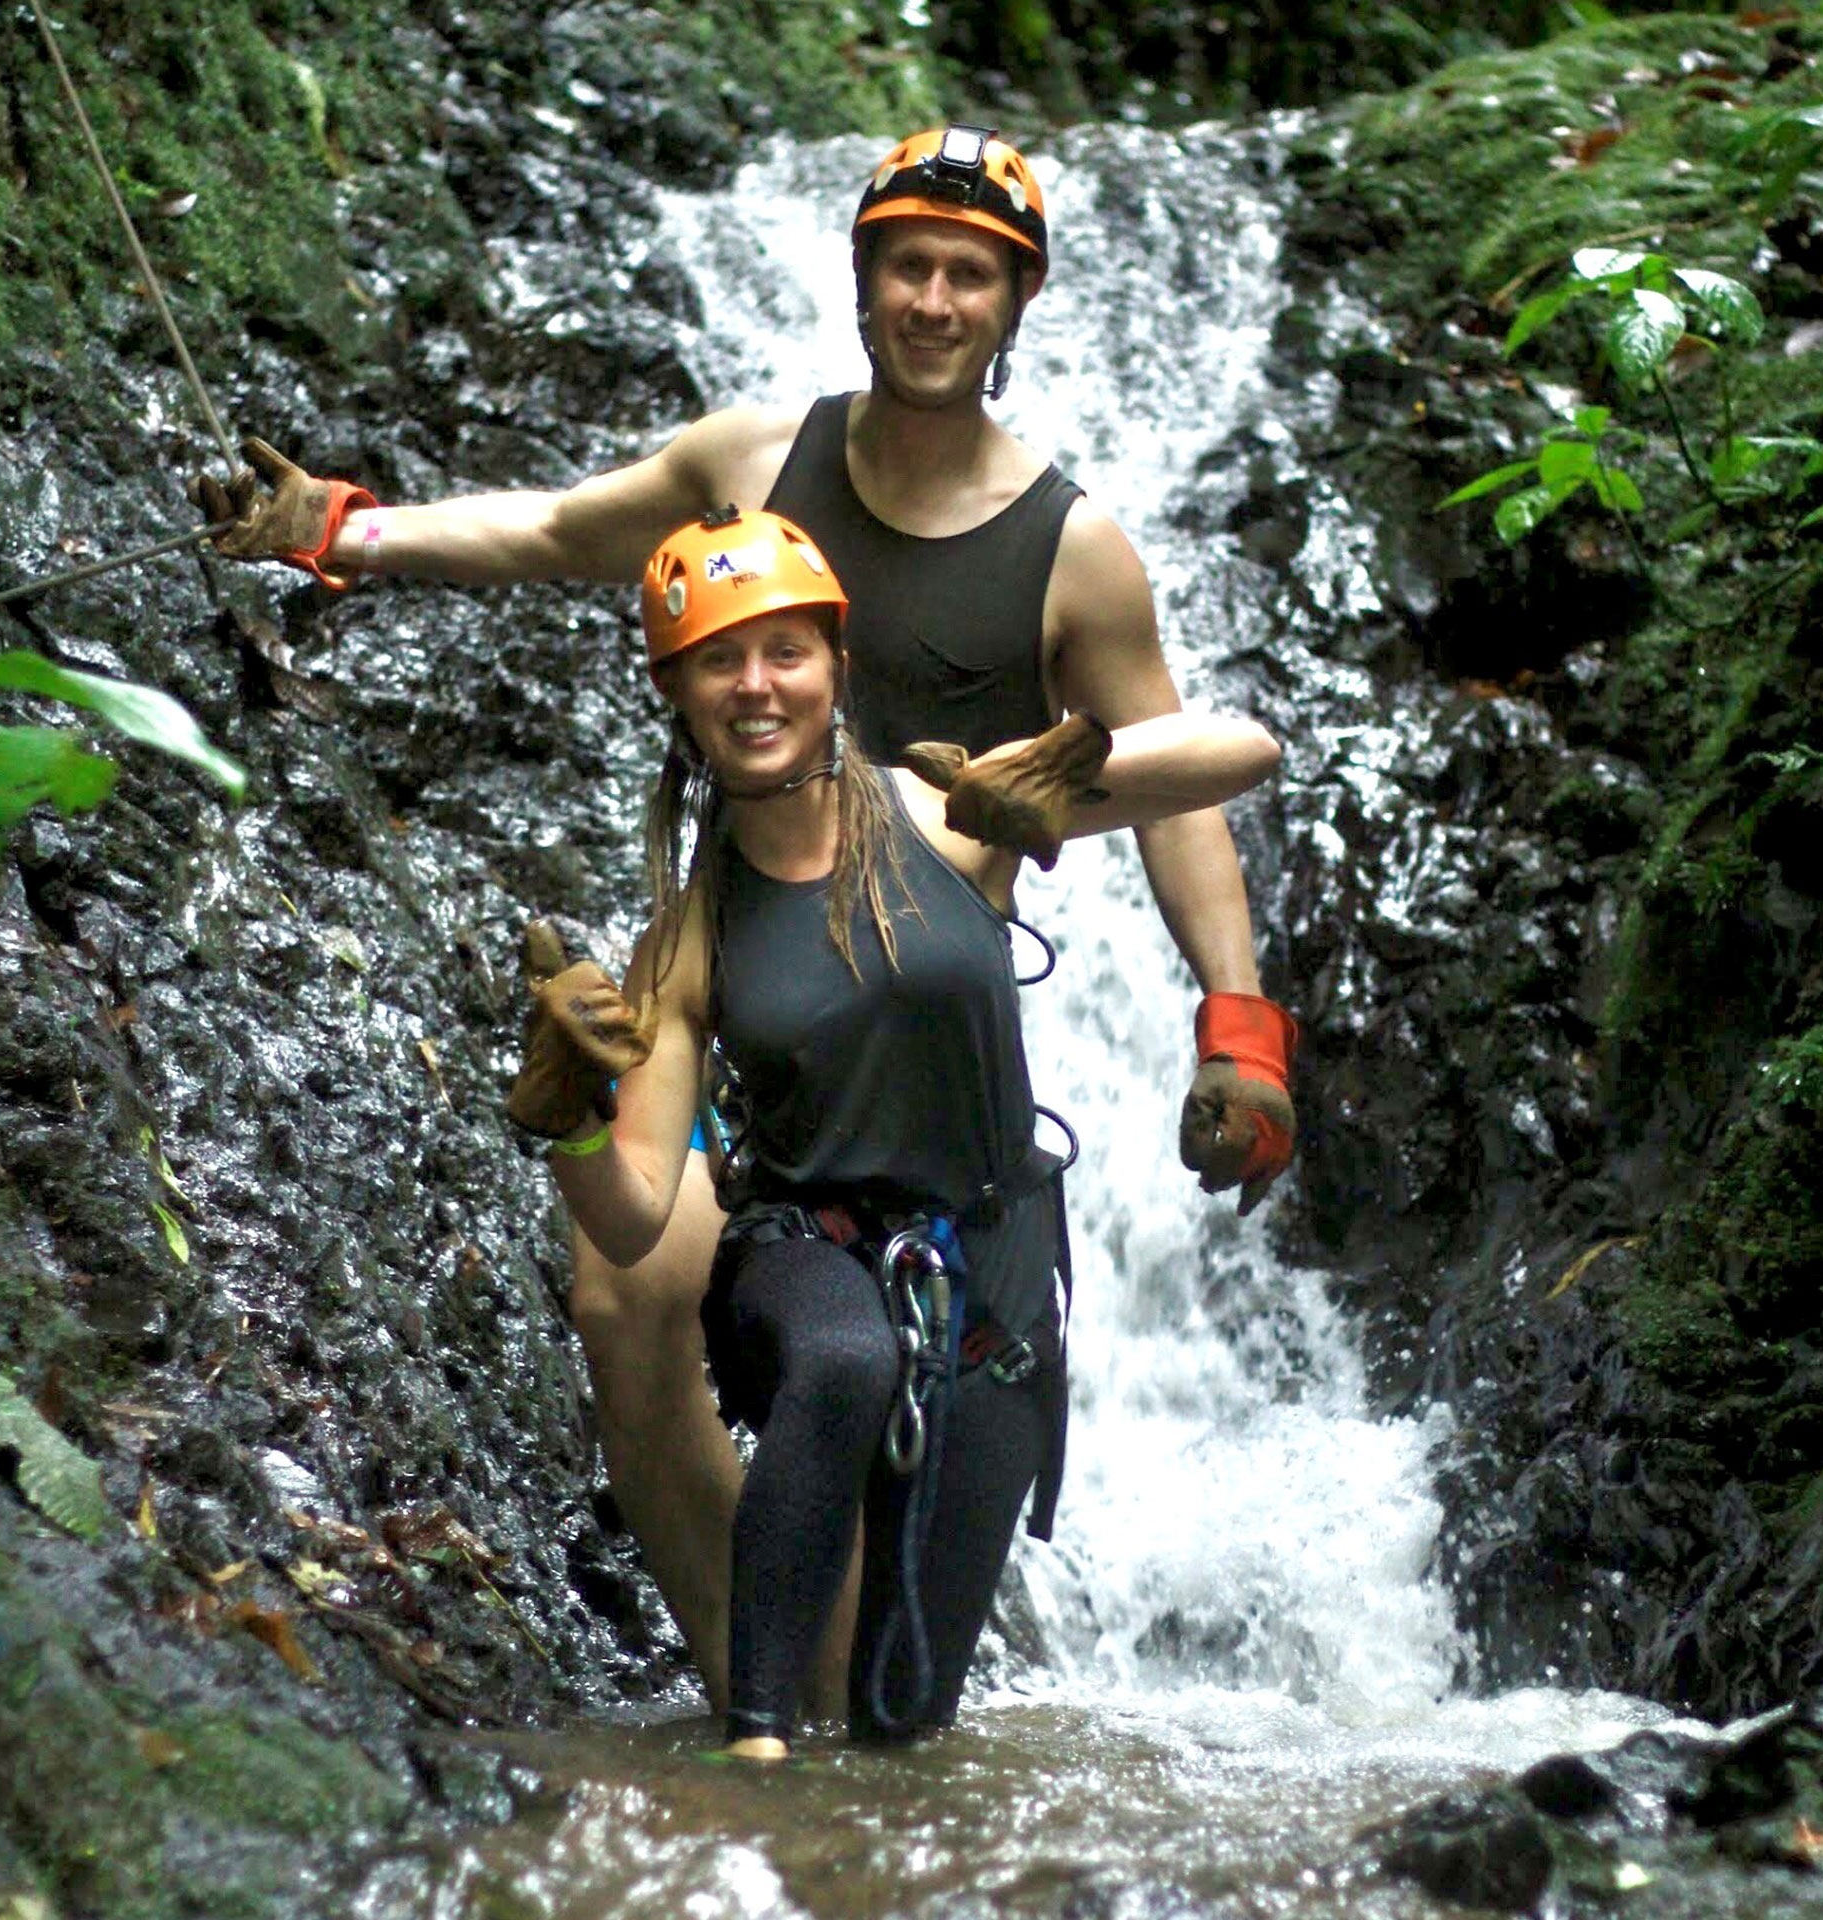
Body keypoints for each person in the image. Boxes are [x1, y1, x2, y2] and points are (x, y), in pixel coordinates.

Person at [191, 126, 1299, 1713]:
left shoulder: (1073, 553)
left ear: (1016, 304)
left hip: (911, 1013)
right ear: (861, 281)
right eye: (908, 265)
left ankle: (822, 1699)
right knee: (620, 1285)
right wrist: (337, 530)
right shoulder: (752, 461)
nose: (933, 300)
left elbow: (1176, 779)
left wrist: (1239, 1024)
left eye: (968, 274)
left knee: (881, 1439)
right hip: (739, 976)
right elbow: (556, 534)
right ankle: (743, 1692)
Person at [505, 507, 1281, 1757]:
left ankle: (836, 1809)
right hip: (798, 1255)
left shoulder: (949, 815)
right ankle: (752, 1747)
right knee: (845, 1359)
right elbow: (640, 1207)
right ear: (678, 694)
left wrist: (1061, 775)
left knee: (904, 1721)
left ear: (837, 668)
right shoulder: (688, 940)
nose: (756, 686)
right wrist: (569, 1124)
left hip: (995, 1277)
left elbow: (1243, 751)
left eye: (785, 652)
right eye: (719, 659)